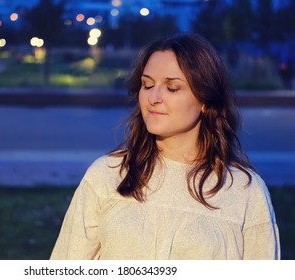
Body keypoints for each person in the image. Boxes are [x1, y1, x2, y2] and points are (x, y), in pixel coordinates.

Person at [50, 33, 280, 260]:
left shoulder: (245, 192)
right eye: (147, 85)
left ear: (205, 100)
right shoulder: (107, 174)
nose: (154, 97)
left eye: (172, 88)